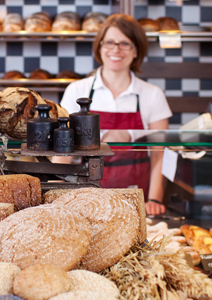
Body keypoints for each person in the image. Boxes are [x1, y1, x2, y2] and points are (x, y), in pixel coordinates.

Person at [60, 14, 172, 215]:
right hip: (84, 198)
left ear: (136, 50)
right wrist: (56, 195)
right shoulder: (77, 91)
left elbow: (159, 154)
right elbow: (63, 151)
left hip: (136, 199)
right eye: (109, 42)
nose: (116, 49)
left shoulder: (152, 94)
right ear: (100, 47)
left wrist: (154, 198)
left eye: (124, 43)